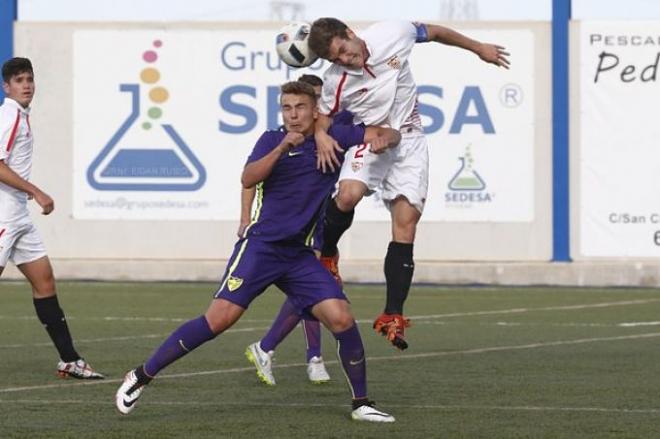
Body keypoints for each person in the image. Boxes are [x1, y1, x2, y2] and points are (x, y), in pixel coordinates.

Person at [116, 81, 401, 422]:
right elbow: (248, 177)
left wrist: (383, 140)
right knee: (218, 320)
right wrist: (282, 148)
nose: (293, 115)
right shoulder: (271, 139)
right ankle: (141, 375)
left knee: (341, 317)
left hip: (297, 255)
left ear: (314, 110)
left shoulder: (336, 138)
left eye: (300, 107)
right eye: (286, 108)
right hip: (261, 247)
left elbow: (388, 133)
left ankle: (361, 403)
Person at [307, 18, 510, 350]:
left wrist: (479, 49)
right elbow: (325, 115)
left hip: (410, 142)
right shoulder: (335, 81)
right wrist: (320, 134)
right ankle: (328, 253)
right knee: (347, 195)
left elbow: (437, 32)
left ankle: (392, 315)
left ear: (351, 35)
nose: (344, 59)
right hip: (371, 139)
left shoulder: (393, 33)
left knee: (406, 223)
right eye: (335, 58)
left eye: (343, 50)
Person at [242, 74, 354, 385]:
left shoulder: (330, 130)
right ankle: (308, 356)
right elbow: (250, 180)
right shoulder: (276, 139)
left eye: (312, 103)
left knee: (316, 286)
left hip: (320, 216)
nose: (306, 113)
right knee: (318, 287)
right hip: (288, 229)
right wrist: (243, 219)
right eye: (293, 107)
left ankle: (273, 349)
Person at [0, 57, 104, 380]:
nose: (26, 84)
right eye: (19, 80)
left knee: (44, 281)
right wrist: (37, 191)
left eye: (29, 78)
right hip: (4, 213)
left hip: (18, 216)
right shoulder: (8, 115)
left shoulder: (22, 116)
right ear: (7, 87)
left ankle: (70, 360)